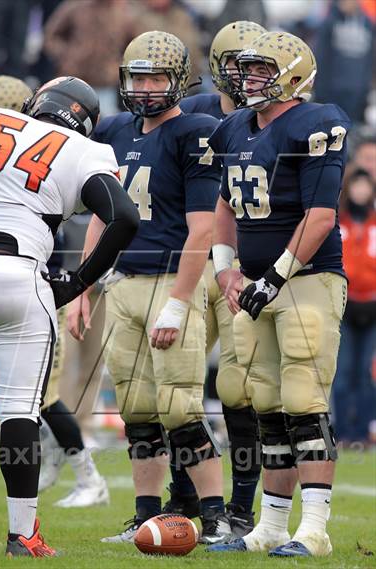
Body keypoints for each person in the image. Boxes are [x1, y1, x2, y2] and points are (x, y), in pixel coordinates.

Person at [0, 76, 139, 556]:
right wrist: (79, 281)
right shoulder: (87, 150)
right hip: (20, 276)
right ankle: (23, 534)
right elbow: (124, 216)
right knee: (20, 412)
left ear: (35, 102)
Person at [68, 31, 231, 544]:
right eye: (137, 76)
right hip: (123, 283)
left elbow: (203, 229)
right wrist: (81, 288)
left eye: (156, 77)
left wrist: (180, 304)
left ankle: (216, 514)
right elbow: (102, 216)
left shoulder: (194, 132)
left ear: (179, 81)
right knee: (137, 409)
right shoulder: (114, 129)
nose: (144, 87)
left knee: (180, 407)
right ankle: (143, 515)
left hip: (172, 278)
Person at [207, 31, 350, 557]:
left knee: (303, 401)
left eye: (262, 71)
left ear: (292, 75)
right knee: (265, 402)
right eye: (247, 70)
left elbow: (320, 215)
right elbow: (224, 204)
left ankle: (314, 529)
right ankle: (269, 526)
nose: (250, 80)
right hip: (255, 284)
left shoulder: (315, 123)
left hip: (309, 279)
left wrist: (275, 277)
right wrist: (226, 270)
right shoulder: (235, 128)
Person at [0, 74, 110, 509]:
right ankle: (51, 450)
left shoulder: (36, 153)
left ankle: (88, 475)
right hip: (5, 282)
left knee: (38, 399)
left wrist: (76, 283)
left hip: (32, 285)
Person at [166, 20, 267, 537]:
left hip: (241, 265)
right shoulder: (198, 112)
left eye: (254, 66)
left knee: (237, 388)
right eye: (236, 65)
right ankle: (182, 499)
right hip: (192, 260)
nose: (246, 76)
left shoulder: (277, 120)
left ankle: (243, 508)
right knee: (176, 390)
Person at [333, 168, 375, 443]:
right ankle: (343, 433)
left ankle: (361, 431)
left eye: (365, 186)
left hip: (373, 307)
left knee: (366, 372)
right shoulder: (338, 222)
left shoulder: (374, 225)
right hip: (345, 306)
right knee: (343, 370)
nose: (361, 191)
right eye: (356, 186)